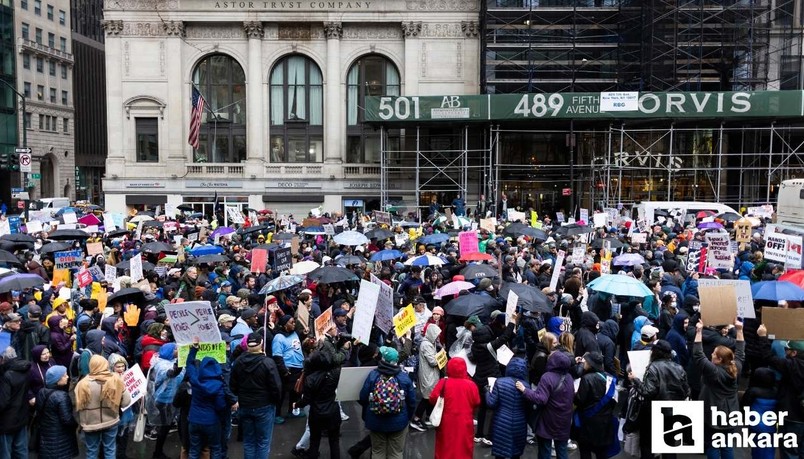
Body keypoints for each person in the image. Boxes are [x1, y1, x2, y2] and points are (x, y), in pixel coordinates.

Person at [628, 339, 690, 459]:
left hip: (653, 412)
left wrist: (635, 380)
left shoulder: (652, 368)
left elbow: (647, 391)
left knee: (648, 444)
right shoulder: (679, 368)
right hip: (673, 412)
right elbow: (686, 391)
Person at [694, 319, 744, 459]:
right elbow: (740, 352)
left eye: (714, 354)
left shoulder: (714, 372)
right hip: (731, 412)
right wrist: (739, 331)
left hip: (714, 413)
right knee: (727, 445)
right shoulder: (736, 368)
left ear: (720, 359)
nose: (711, 354)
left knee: (713, 444)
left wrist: (698, 332)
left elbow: (698, 355)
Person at [231, 332, 282, 459]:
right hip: (264, 406)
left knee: (249, 442)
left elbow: (232, 385)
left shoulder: (238, 362)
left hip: (245, 406)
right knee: (263, 442)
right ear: (261, 344)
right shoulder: (268, 363)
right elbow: (276, 386)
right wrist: (275, 401)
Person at [359, 346, 416, 459]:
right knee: (396, 453)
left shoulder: (373, 375)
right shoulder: (403, 378)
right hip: (399, 422)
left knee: (377, 451)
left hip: (376, 421)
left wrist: (368, 414)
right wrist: (407, 417)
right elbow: (412, 402)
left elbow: (363, 397)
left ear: (383, 359)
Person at [756, 327, 804, 459]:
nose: (785, 352)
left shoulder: (791, 366)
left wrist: (762, 337)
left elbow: (768, 356)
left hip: (791, 415)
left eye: (787, 350)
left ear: (794, 353)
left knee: (789, 452)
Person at [518, 349, 574, 459]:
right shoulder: (569, 378)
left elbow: (541, 399)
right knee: (562, 450)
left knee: (545, 450)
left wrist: (525, 390)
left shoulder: (547, 377)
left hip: (548, 420)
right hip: (564, 420)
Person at [74, 355, 131, 459]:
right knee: (110, 450)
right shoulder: (115, 380)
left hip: (90, 424)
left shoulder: (82, 384)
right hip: (111, 421)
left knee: (91, 451)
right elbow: (126, 402)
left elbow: (79, 406)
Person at [186, 337, 229, 459]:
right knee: (215, 448)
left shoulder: (195, 379)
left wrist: (194, 349)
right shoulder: (219, 385)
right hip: (212, 421)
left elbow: (189, 364)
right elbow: (220, 406)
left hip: (194, 419)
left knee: (194, 450)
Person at [429, 357, 480, 459]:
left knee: (445, 448)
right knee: (463, 449)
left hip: (446, 422)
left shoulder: (443, 382)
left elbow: (433, 398)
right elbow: (477, 402)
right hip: (465, 423)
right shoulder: (471, 385)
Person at [572, 352, 618, 459]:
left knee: (585, 451)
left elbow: (579, 400)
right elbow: (614, 401)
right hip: (605, 421)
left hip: (587, 421)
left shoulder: (587, 378)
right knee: (601, 453)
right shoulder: (610, 378)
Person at [487, 357, 530, 459]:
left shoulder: (500, 382)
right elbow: (528, 406)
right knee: (516, 454)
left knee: (500, 453)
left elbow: (491, 403)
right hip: (520, 423)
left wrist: (487, 392)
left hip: (501, 422)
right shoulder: (526, 386)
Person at [148, 343, 184, 459]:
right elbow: (172, 373)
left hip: (173, 399)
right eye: (175, 349)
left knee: (173, 425)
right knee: (165, 426)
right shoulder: (162, 365)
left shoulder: (170, 360)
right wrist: (180, 362)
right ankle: (157, 453)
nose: (177, 350)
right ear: (169, 351)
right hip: (165, 401)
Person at [35, 365, 79, 459]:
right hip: (61, 439)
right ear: (57, 380)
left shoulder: (41, 392)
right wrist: (76, 424)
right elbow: (67, 420)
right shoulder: (61, 396)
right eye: (64, 375)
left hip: (46, 437)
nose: (67, 377)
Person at [272, 314, 305, 424]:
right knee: (281, 394)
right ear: (284, 325)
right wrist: (284, 371)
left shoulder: (294, 333)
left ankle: (293, 411)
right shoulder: (278, 338)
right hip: (287, 369)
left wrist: (304, 336)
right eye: (291, 322)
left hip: (298, 368)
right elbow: (277, 356)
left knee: (295, 392)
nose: (294, 324)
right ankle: (276, 415)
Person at [0, 347, 31, 458]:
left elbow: (3, 402)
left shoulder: (6, 375)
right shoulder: (24, 369)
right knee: (21, 450)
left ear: (3, 359)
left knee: (5, 453)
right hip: (21, 416)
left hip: (6, 421)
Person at [740, 367, 778, 459]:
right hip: (771, 425)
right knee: (769, 447)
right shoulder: (776, 392)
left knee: (757, 448)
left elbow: (744, 406)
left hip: (756, 425)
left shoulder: (752, 391)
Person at [410, 324, 441, 431]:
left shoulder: (430, 343)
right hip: (428, 375)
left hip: (430, 375)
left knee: (429, 396)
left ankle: (428, 417)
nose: (438, 337)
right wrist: (442, 357)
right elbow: (432, 361)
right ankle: (416, 419)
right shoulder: (427, 345)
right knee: (426, 397)